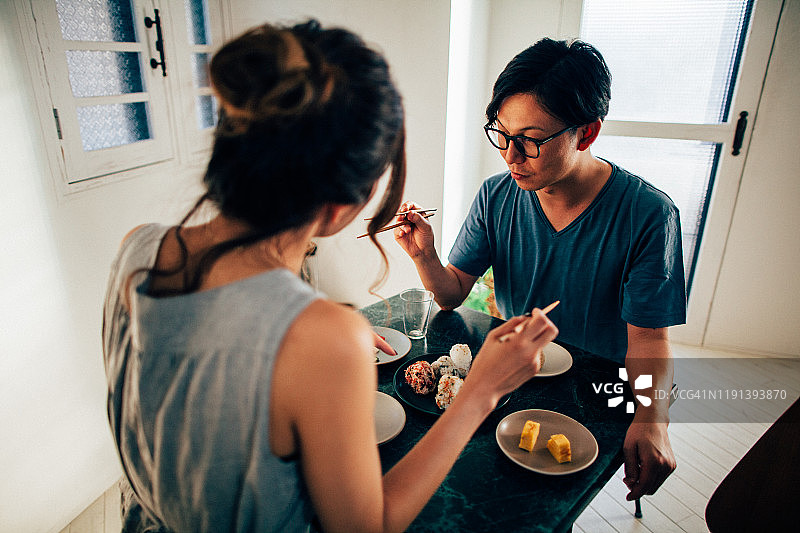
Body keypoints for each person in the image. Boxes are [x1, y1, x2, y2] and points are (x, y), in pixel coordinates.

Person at [102, 20, 557, 533]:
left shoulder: (137, 249)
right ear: (347, 203)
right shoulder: (321, 337)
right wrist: (481, 392)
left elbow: (196, 396)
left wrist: (307, 337)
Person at [394, 38, 686, 501]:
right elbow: (451, 295)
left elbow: (649, 339)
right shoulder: (496, 196)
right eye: (501, 134)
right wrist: (423, 255)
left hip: (595, 393)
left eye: (530, 140)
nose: (511, 156)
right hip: (512, 377)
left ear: (586, 133)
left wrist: (653, 420)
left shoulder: (648, 215)